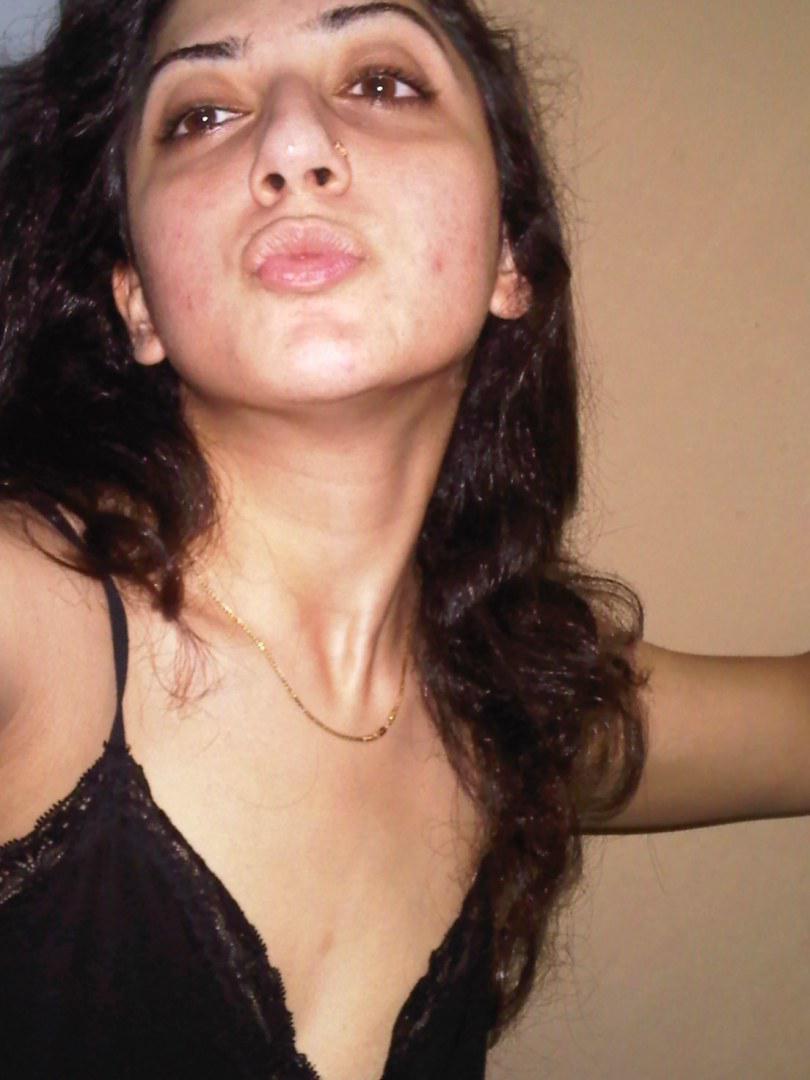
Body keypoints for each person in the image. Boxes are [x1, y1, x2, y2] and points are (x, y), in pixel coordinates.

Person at [0, 0, 806, 1077]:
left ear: (509, 258)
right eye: (202, 114)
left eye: (381, 83)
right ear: (137, 299)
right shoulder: (29, 618)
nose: (291, 143)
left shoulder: (512, 709)